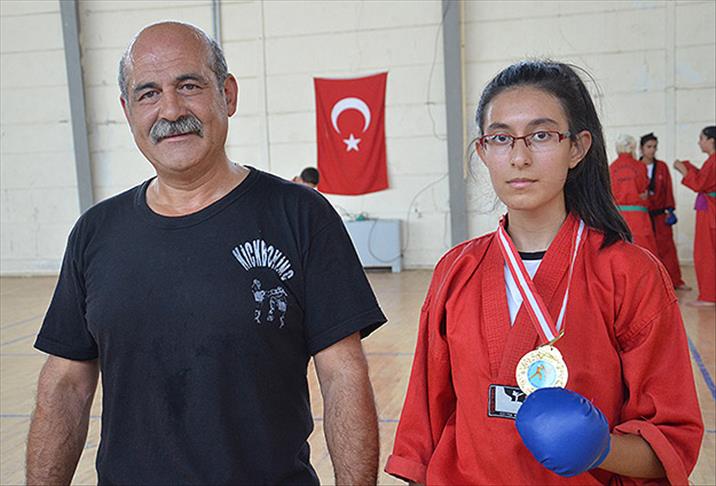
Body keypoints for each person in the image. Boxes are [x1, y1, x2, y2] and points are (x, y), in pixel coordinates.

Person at [26, 22, 386, 485]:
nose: (170, 110)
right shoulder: (95, 233)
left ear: (227, 95)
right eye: (148, 93)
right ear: (127, 111)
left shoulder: (301, 216)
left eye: (189, 86)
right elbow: (65, 386)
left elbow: (342, 376)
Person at [385, 61, 703, 485]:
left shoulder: (630, 274)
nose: (519, 157)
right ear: (483, 152)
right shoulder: (455, 270)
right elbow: (421, 436)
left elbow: (671, 445)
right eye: (501, 138)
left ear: (578, 147)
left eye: (541, 135)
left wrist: (603, 449)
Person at [639, 132, 689, 290]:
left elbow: (667, 189)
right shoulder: (636, 167)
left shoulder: (662, 167)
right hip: (642, 215)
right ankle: (651, 284)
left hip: (660, 213)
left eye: (654, 147)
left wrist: (670, 209)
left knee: (667, 248)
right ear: (641, 149)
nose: (652, 150)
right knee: (644, 249)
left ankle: (675, 281)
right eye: (649, 146)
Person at [674, 126, 716, 306]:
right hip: (709, 209)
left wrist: (683, 170)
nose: (699, 142)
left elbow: (699, 184)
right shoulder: (711, 162)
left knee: (706, 253)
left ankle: (709, 296)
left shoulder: (713, 161)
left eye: (702, 138)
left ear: (711, 140)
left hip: (710, 213)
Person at [609, 134, 658, 254]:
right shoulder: (641, 167)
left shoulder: (611, 168)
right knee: (644, 251)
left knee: (621, 251)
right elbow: (643, 189)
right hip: (639, 217)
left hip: (618, 216)